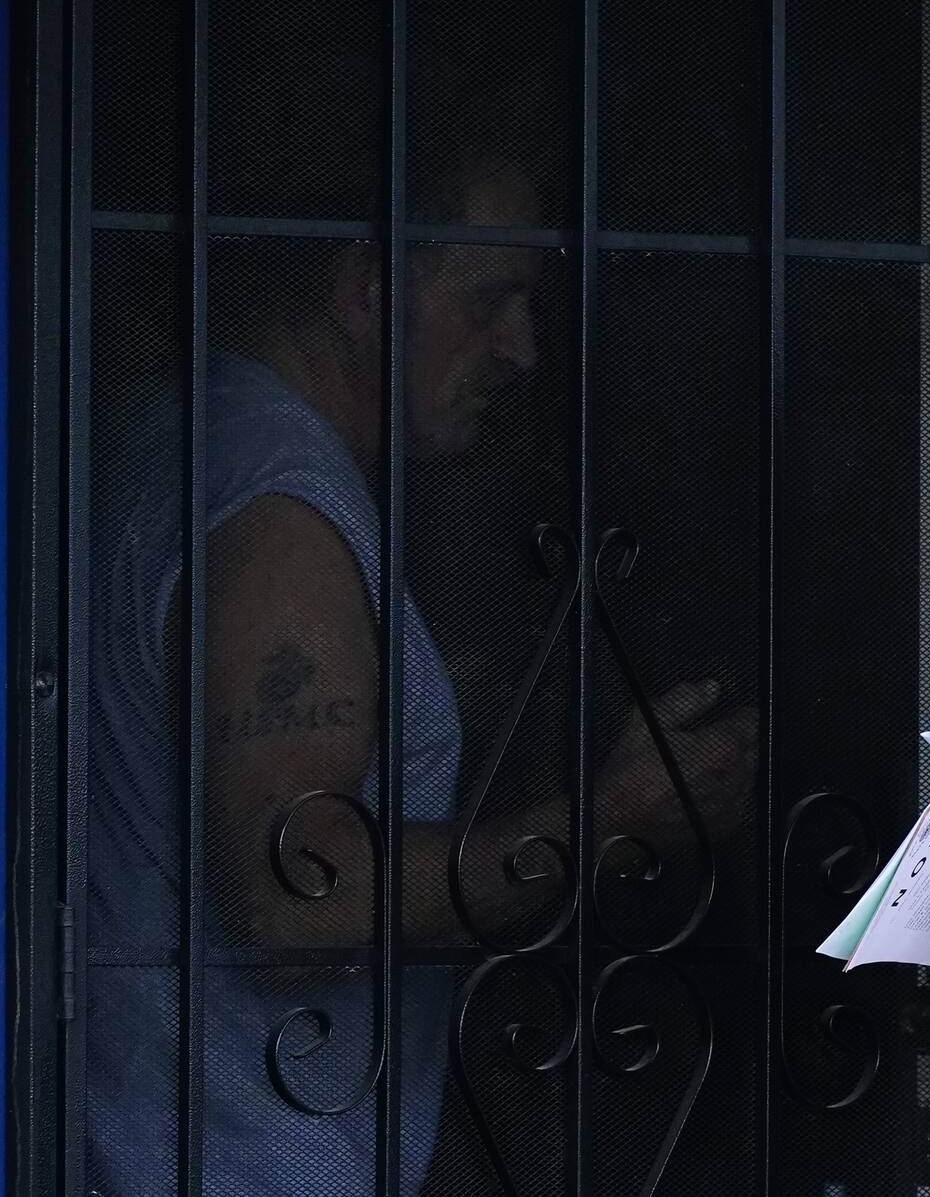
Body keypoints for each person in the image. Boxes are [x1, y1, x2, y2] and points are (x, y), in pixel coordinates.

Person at [84, 159, 755, 1194]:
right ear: (367, 289)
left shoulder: (167, 431)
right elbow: (293, 896)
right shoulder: (279, 514)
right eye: (491, 300)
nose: (523, 350)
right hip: (236, 1162)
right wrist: (607, 821)